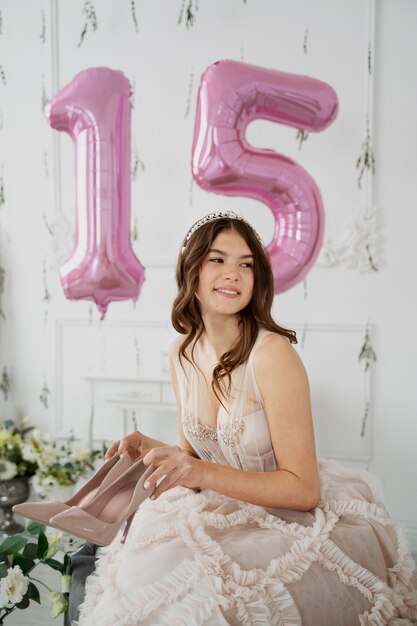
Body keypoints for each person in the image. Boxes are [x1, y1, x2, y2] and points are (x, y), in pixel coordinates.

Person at [76, 210, 417, 626]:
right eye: (217, 260)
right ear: (192, 272)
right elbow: (196, 456)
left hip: (285, 518)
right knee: (148, 579)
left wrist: (198, 472)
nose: (233, 274)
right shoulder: (181, 350)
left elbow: (304, 489)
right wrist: (154, 448)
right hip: (219, 508)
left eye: (246, 264)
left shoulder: (273, 355)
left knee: (206, 598)